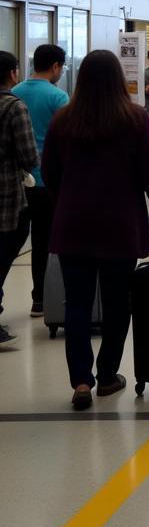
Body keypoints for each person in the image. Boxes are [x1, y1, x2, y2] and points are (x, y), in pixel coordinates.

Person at [43, 49, 149, 409]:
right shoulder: (135, 119)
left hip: (73, 225)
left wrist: (67, 201)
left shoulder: (63, 120)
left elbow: (50, 173)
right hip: (119, 225)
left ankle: (81, 382)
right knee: (119, 304)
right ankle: (107, 375)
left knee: (76, 304)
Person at [13, 44, 69, 317]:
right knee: (45, 240)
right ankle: (41, 298)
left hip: (18, 182)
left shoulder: (14, 93)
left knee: (15, 239)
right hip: (48, 181)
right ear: (56, 66)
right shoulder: (58, 97)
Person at [0, 52, 38, 349]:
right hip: (7, 194)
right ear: (12, 74)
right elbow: (28, 156)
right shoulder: (14, 107)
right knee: (7, 247)